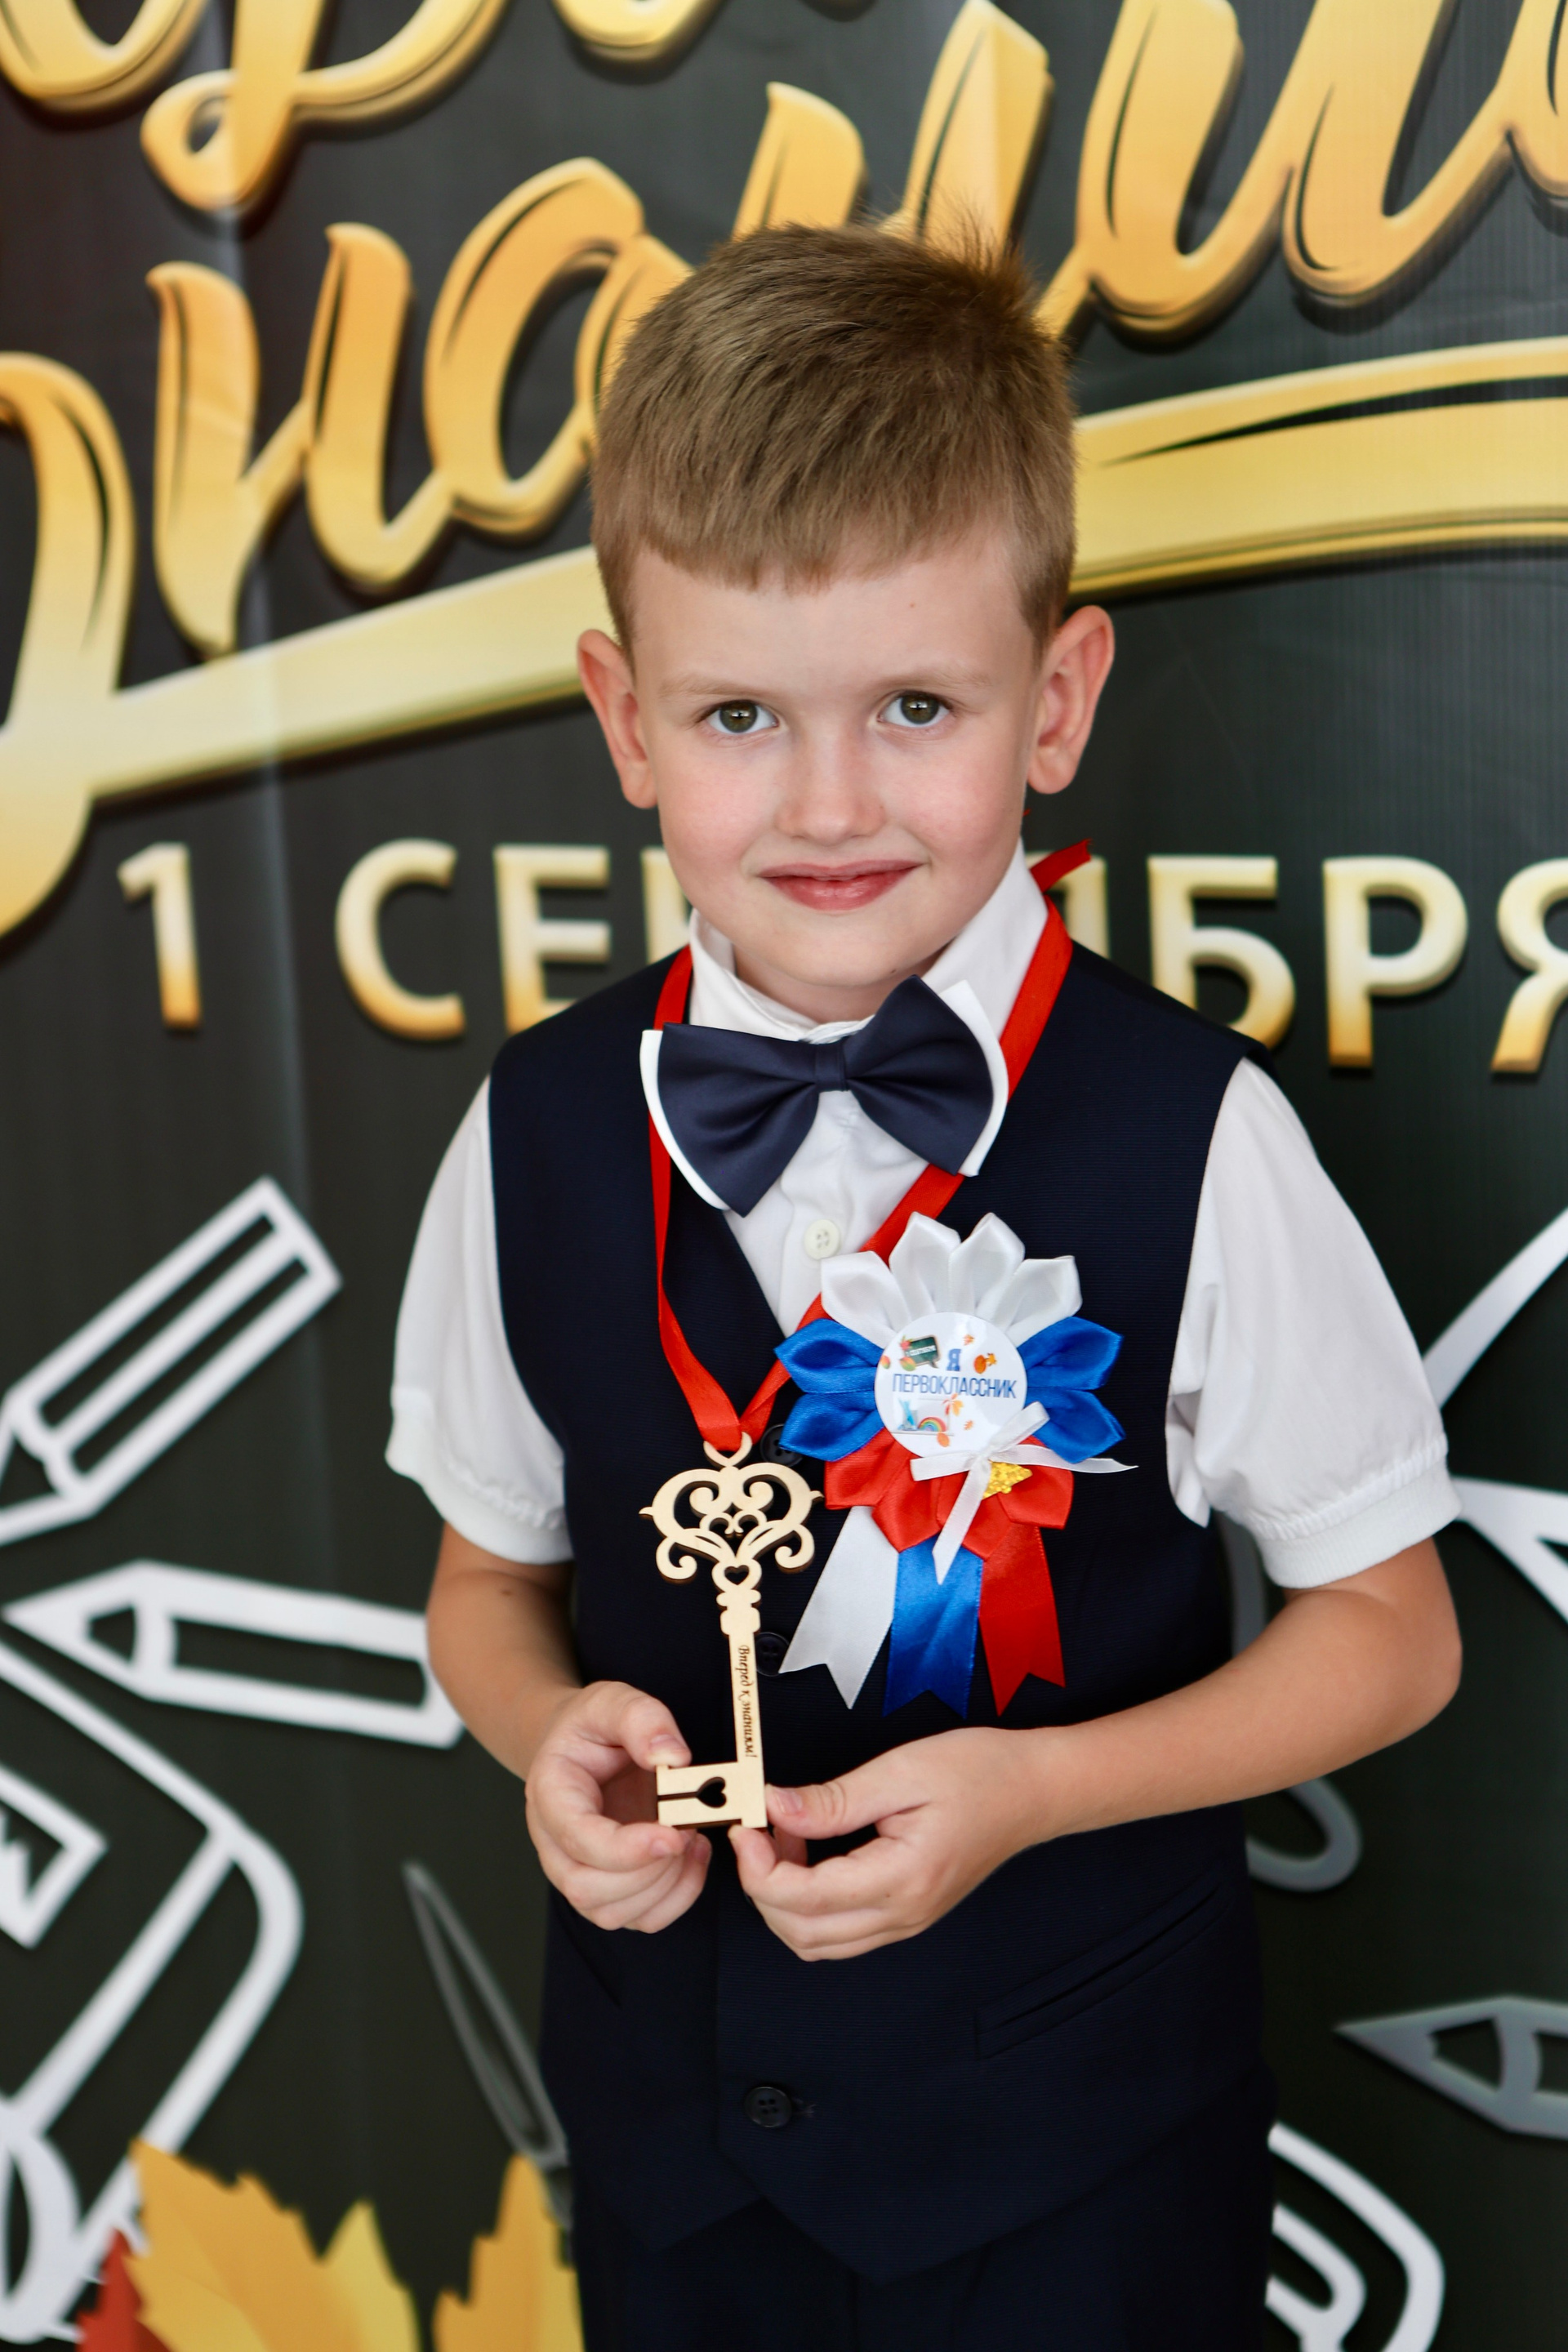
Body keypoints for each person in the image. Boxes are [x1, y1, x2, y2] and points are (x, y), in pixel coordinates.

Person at [390, 225, 1462, 2351]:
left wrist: (1036, 1791)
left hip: (1083, 2176)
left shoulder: (1197, 1137)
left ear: (1054, 702)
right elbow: (484, 1586)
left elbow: (1391, 1636)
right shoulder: (530, 1130)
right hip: (675, 2161)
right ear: (622, 717)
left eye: (914, 706)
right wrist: (548, 1735)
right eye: (738, 715)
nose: (830, 804)